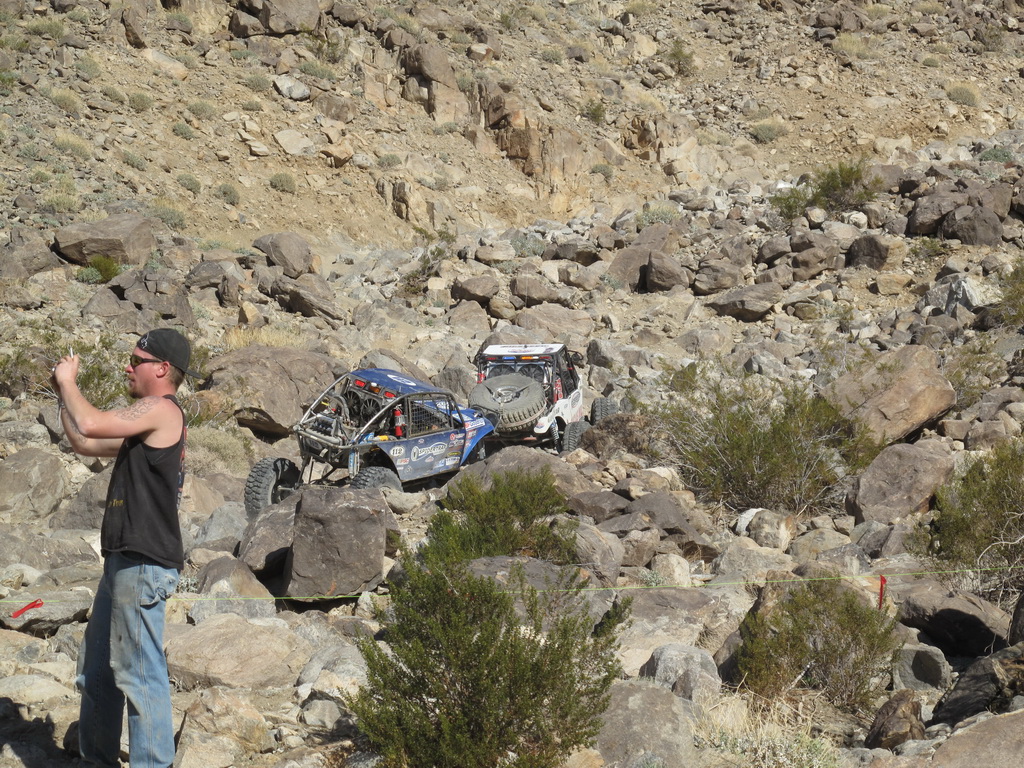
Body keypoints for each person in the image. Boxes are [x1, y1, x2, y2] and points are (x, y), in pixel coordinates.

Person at [52, 328, 199, 768]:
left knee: (139, 674)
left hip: (143, 562)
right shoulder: (144, 424)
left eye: (136, 360)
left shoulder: (161, 409)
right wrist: (61, 396)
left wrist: (69, 382)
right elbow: (84, 442)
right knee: (97, 670)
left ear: (162, 368)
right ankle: (95, 758)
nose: (127, 367)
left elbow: (92, 422)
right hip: (123, 560)